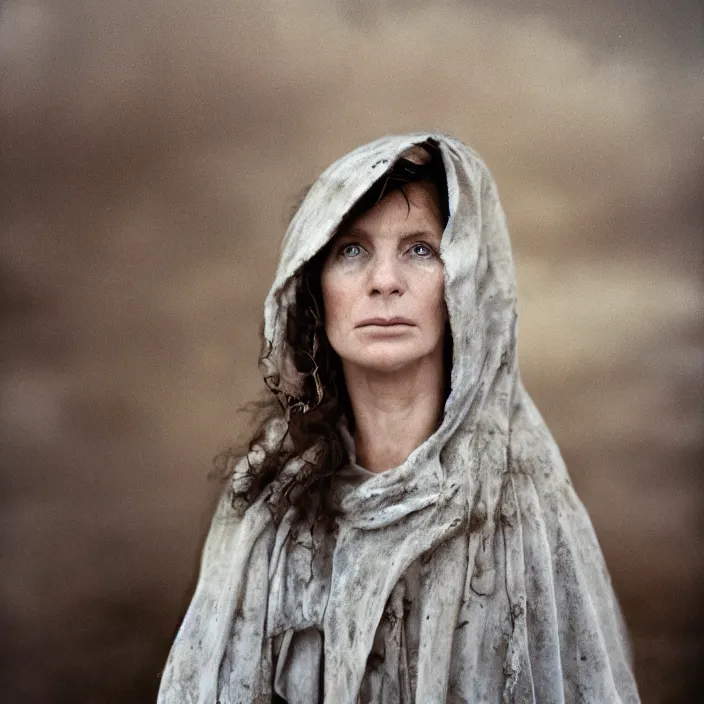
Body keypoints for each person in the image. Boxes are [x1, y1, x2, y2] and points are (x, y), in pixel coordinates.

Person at [157, 134, 641, 703]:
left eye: (419, 250)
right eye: (352, 251)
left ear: (462, 283)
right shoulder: (271, 504)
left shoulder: (524, 499)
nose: (384, 282)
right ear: (315, 291)